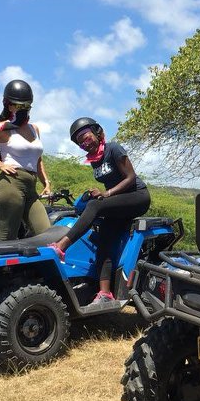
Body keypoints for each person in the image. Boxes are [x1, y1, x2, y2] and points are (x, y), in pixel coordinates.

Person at [48, 117, 150, 305]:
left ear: (97, 132)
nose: (84, 144)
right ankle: (105, 294)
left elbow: (130, 177)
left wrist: (107, 193)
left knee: (94, 207)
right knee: (104, 239)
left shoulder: (113, 148)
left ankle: (61, 247)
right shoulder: (95, 160)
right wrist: (98, 193)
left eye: (86, 138)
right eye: (80, 143)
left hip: (137, 196)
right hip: (118, 202)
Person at [0, 79, 52, 241]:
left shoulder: (34, 129)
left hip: (30, 187)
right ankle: (0, 267)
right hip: (11, 183)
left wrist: (46, 182)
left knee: (46, 234)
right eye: (18, 105)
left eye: (26, 105)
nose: (23, 109)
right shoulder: (5, 127)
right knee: (8, 236)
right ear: (9, 105)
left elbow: (37, 159)